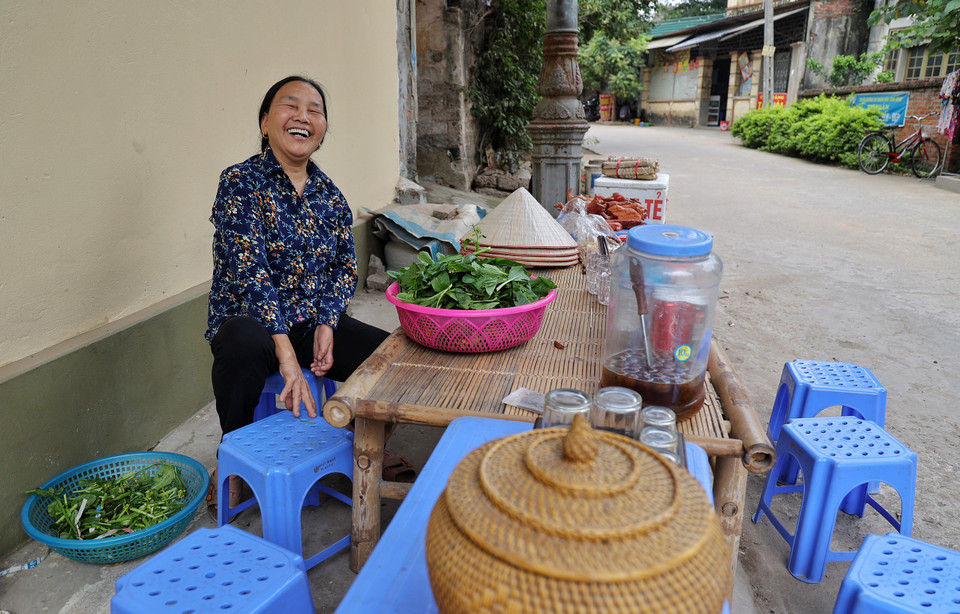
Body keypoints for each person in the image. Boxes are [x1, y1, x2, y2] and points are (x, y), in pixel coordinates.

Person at [204, 75, 405, 517]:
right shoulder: (240, 183)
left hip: (308, 322)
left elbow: (343, 268)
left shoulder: (330, 195)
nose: (303, 116)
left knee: (391, 358)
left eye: (315, 110)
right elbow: (248, 270)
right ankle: (232, 455)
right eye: (289, 105)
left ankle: (361, 441)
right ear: (265, 123)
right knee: (242, 344)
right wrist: (286, 354)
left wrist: (328, 323)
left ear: (322, 129)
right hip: (250, 322)